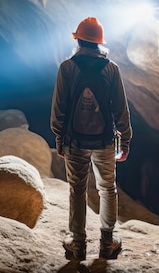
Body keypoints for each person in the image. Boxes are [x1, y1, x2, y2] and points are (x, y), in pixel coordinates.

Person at [50, 16, 132, 260]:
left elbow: (59, 109)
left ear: (78, 41)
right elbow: (121, 109)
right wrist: (124, 140)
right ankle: (107, 243)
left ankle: (77, 244)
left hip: (74, 142)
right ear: (99, 43)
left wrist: (59, 139)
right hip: (105, 142)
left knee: (77, 189)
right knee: (107, 188)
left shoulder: (67, 67)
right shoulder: (111, 69)